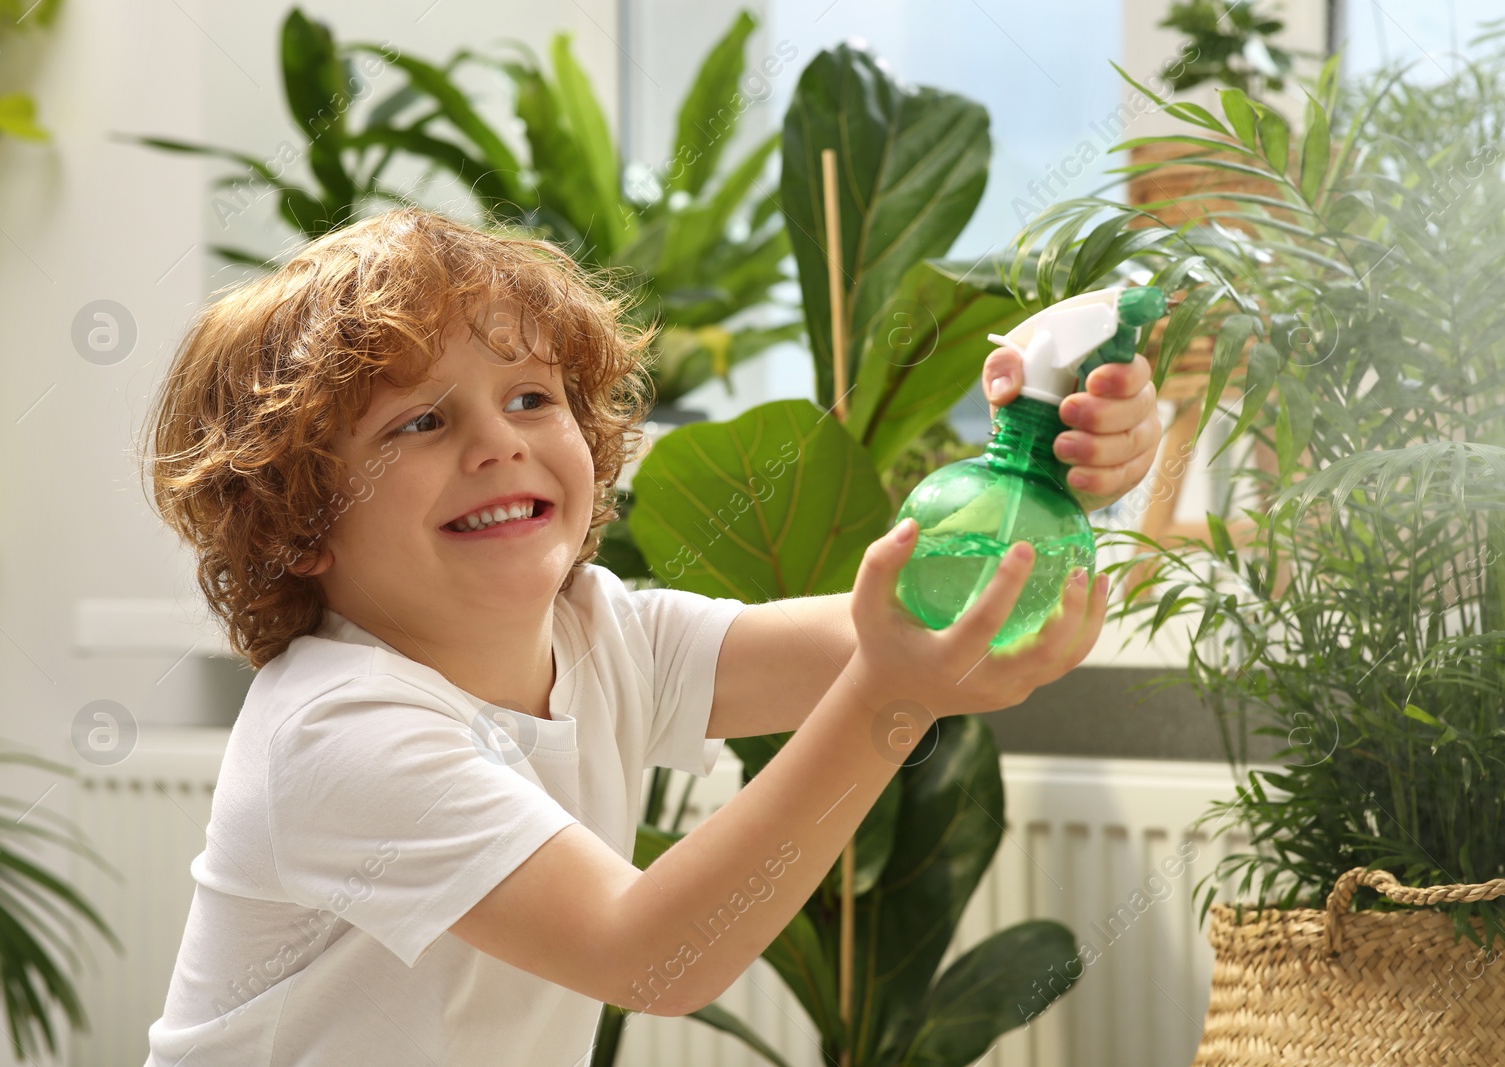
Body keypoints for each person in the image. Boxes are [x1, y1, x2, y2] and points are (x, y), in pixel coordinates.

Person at [137, 205, 1163, 1065]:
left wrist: (1047, 453)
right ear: (299, 523)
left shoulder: (599, 631)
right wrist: (889, 699)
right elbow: (654, 955)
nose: (500, 442)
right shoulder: (338, 730)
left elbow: (905, 630)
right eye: (421, 422)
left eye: (531, 397)